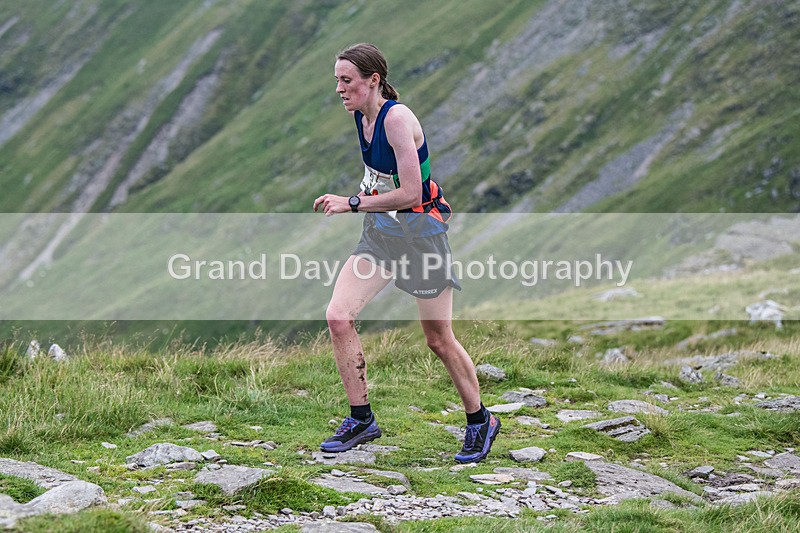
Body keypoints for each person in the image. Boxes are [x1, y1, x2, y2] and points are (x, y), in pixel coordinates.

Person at [313, 43, 500, 463]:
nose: (340, 89)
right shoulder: (362, 118)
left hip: (420, 237)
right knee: (338, 316)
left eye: (347, 81)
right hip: (381, 236)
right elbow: (380, 178)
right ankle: (361, 419)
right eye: (337, 81)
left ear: (373, 80)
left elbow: (412, 193)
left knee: (438, 339)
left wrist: (353, 202)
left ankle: (480, 420)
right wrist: (363, 195)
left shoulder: (397, 119)